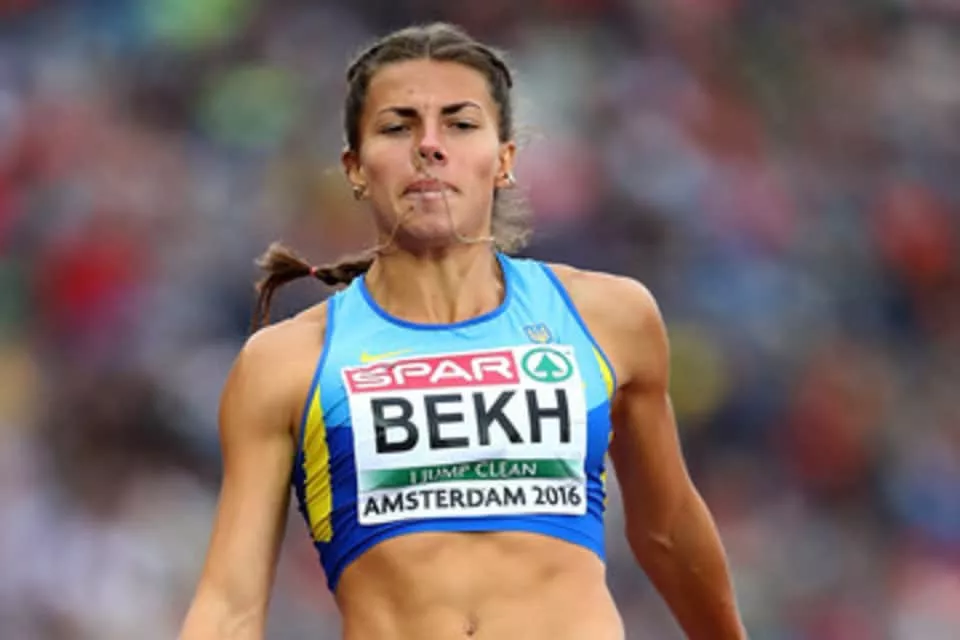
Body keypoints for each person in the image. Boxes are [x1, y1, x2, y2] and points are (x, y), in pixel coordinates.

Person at [180, 22, 746, 640]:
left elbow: (668, 531)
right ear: (355, 168)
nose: (429, 146)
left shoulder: (608, 317)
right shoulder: (289, 362)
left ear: (504, 160)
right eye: (397, 127)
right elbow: (231, 603)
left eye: (460, 123)